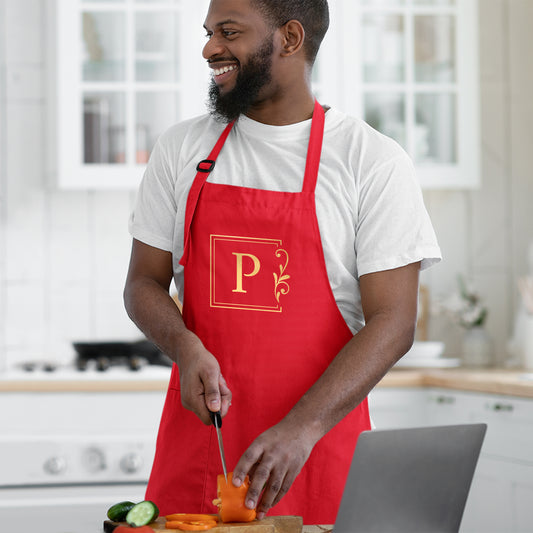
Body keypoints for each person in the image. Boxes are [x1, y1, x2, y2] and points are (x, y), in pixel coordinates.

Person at [124, 0, 441, 525]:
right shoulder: (182, 149)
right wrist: (183, 347)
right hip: (205, 450)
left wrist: (303, 428)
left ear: (291, 38)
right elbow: (143, 283)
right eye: (208, 33)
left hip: (318, 452)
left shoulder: (370, 161)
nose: (209, 49)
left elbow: (394, 322)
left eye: (229, 32)